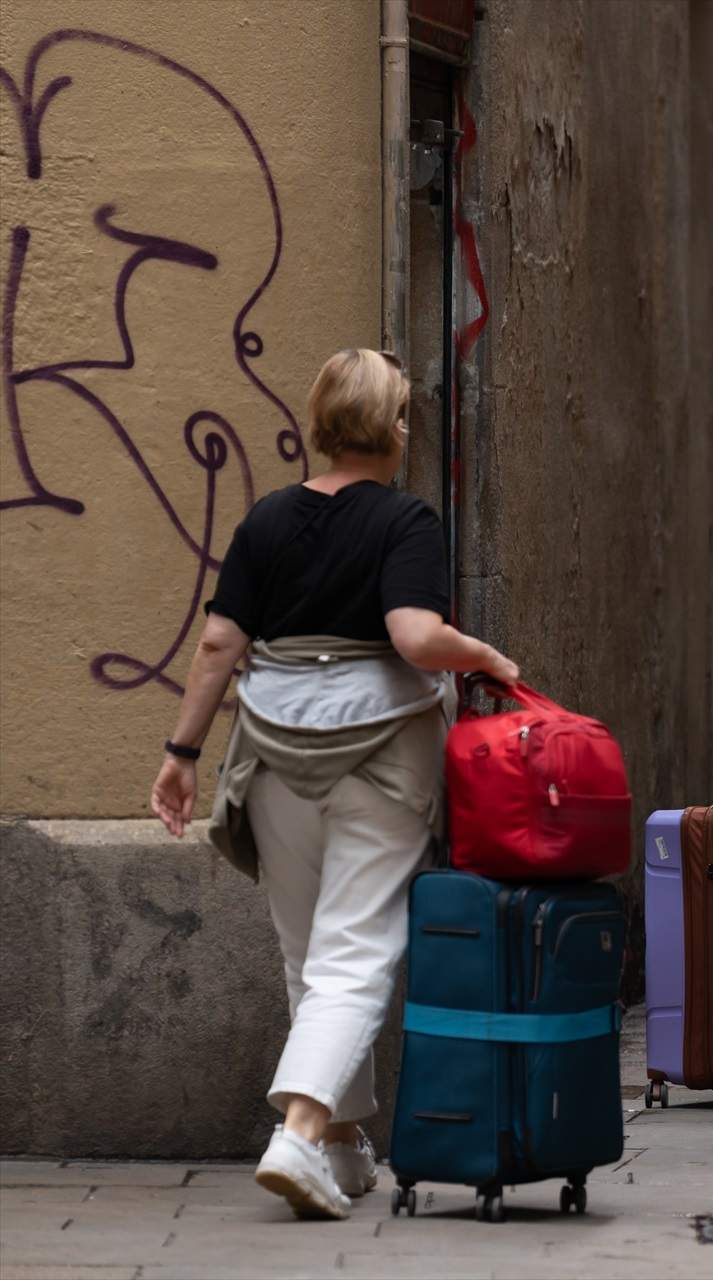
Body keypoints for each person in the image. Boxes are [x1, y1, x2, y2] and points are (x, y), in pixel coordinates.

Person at [147, 349, 519, 1220]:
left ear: (319, 423)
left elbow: (216, 646)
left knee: (310, 954)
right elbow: (416, 637)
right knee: (357, 952)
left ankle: (347, 1150)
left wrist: (182, 753)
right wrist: (487, 656)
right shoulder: (406, 521)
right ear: (393, 428)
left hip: (273, 757)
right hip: (379, 760)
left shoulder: (266, 520)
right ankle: (302, 1133)